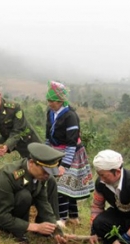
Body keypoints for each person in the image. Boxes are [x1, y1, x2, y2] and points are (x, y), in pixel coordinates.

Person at [0, 143, 65, 243]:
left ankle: (18, 228)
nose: (47, 175)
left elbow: (44, 204)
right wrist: (34, 227)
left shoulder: (40, 177)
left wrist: (57, 231)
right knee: (24, 196)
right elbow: (1, 215)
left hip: (11, 212)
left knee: (25, 196)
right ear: (31, 163)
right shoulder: (8, 176)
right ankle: (13, 230)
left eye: (49, 172)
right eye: (45, 171)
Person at [45, 81, 94, 227]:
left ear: (60, 101)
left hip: (71, 152)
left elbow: (71, 143)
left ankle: (62, 218)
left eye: (52, 101)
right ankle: (74, 217)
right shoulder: (50, 113)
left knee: (63, 183)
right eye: (48, 100)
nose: (49, 103)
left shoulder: (70, 116)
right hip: (55, 150)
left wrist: (64, 165)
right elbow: (48, 135)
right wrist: (46, 155)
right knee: (67, 184)